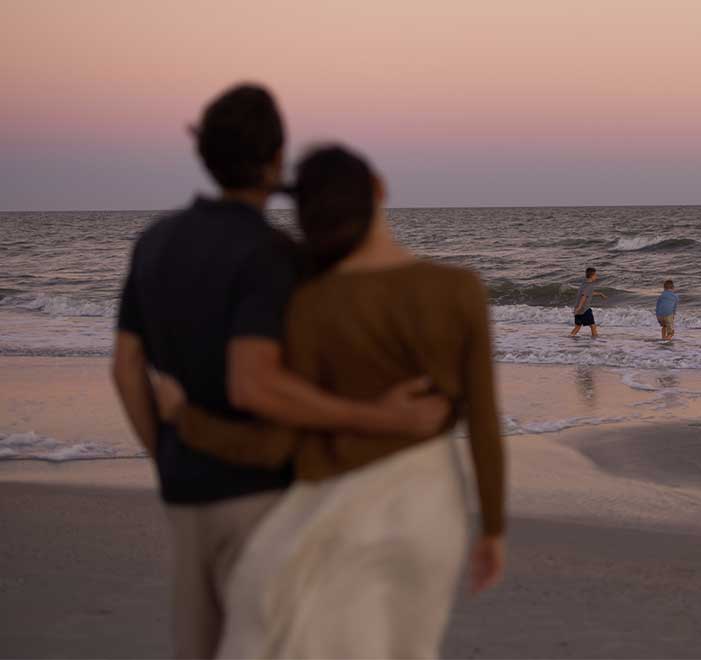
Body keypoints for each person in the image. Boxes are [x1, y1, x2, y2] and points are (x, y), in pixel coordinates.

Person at [110, 84, 451, 659]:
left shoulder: (154, 243)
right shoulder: (270, 254)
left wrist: (167, 455)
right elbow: (255, 382)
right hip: (262, 495)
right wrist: (377, 414)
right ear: (274, 159)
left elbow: (125, 370)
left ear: (206, 154)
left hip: (184, 491)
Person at [156, 145, 506, 658]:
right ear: (380, 188)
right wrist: (493, 528)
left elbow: (277, 441)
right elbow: (484, 422)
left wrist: (183, 416)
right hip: (432, 509)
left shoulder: (310, 304)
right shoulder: (458, 288)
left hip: (340, 508)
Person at [569, 267, 607, 337]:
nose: (596, 277)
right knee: (593, 326)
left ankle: (570, 337)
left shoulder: (584, 283)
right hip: (584, 309)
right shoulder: (590, 285)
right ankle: (595, 340)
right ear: (592, 276)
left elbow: (588, 293)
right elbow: (584, 296)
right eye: (595, 275)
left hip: (578, 309)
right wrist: (580, 307)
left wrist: (600, 294)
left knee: (577, 326)